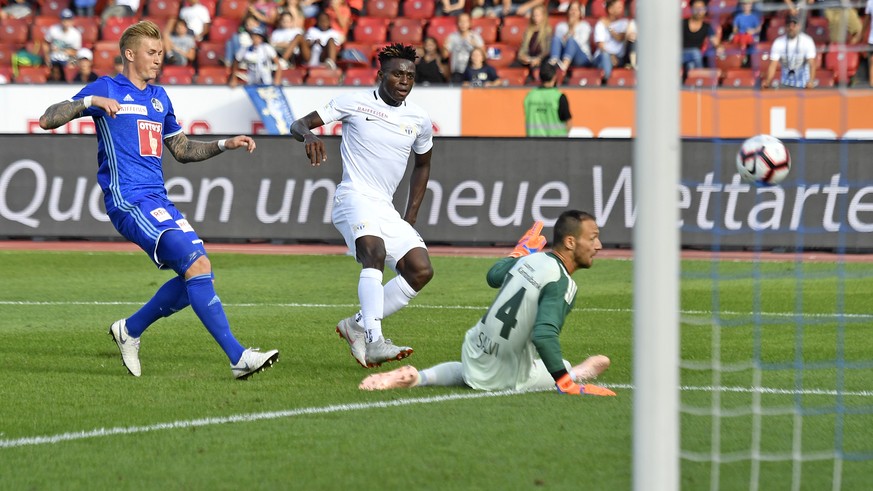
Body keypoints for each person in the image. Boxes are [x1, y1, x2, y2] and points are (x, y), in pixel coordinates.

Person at [38, 20, 278, 380]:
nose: (158, 59)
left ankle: (130, 329)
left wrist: (224, 144)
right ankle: (238, 357)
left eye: (161, 53)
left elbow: (181, 149)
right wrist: (89, 101)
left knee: (197, 271)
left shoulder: (159, 97)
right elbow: (47, 119)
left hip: (158, 199)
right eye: (152, 53)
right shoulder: (107, 87)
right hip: (128, 200)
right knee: (196, 266)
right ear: (129, 54)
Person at [359, 214, 616, 397]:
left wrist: (520, 250)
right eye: (592, 238)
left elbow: (493, 276)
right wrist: (565, 383)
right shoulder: (563, 283)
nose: (598, 245)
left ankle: (420, 377)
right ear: (570, 242)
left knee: (469, 373)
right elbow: (544, 335)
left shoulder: (533, 258)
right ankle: (576, 372)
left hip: (475, 346)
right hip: (508, 371)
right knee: (558, 371)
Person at [290, 43, 435, 368]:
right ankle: (374, 340)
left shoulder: (420, 119)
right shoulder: (352, 102)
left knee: (421, 270)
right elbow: (298, 124)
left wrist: (410, 216)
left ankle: (355, 326)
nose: (404, 80)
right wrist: (309, 137)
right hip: (353, 196)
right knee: (375, 253)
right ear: (380, 75)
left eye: (410, 75)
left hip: (385, 208)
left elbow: (423, 165)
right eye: (397, 73)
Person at [764, 15, 817, 89]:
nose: (791, 28)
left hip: (803, 84)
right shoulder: (778, 42)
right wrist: (768, 81)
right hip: (785, 83)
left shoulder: (807, 41)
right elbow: (773, 65)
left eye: (794, 25)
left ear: (799, 26)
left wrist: (811, 81)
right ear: (785, 27)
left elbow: (812, 63)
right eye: (789, 25)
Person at [523, 62, 571, 137]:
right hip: (555, 143)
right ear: (554, 77)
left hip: (533, 143)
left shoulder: (530, 96)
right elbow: (568, 123)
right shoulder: (559, 97)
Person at [593, 0, 636, 81]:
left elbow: (620, 38)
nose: (621, 8)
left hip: (618, 58)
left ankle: (605, 81)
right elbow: (601, 45)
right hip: (601, 57)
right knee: (605, 56)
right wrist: (610, 55)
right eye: (618, 7)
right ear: (610, 10)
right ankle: (607, 81)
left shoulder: (624, 23)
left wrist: (609, 27)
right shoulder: (601, 23)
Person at [548, 1, 595, 72]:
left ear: (580, 13)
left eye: (576, 10)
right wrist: (569, 31)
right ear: (568, 12)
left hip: (581, 57)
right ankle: (553, 63)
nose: (573, 12)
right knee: (556, 39)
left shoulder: (585, 26)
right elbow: (558, 44)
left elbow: (580, 43)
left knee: (571, 41)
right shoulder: (561, 26)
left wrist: (572, 29)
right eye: (571, 9)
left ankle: (563, 68)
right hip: (563, 55)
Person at [681, 0, 722, 76]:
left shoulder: (707, 27)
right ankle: (702, 76)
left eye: (701, 8)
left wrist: (719, 48)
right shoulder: (682, 23)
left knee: (691, 65)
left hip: (694, 58)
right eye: (696, 8)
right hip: (679, 54)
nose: (698, 11)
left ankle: (693, 83)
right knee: (695, 52)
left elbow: (715, 42)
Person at [514, 5, 552, 82]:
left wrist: (538, 59)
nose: (535, 18)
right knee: (513, 66)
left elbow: (547, 50)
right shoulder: (528, 31)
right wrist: (523, 56)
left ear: (543, 16)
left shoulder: (548, 31)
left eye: (537, 15)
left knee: (537, 69)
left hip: (541, 60)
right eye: (534, 15)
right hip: (528, 59)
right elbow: (523, 48)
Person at [444, 13, 484, 84]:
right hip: (457, 72)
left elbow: (484, 55)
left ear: (470, 23)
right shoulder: (452, 37)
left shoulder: (475, 37)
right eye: (461, 21)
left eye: (465, 21)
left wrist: (476, 46)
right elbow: (444, 55)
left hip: (472, 71)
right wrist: (444, 47)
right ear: (457, 23)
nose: (463, 24)